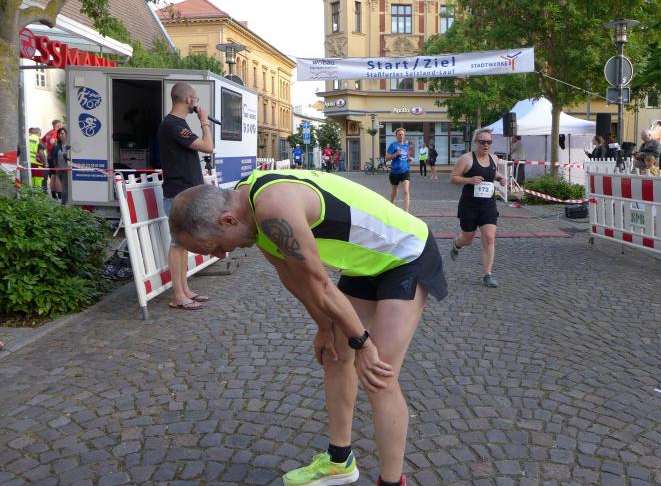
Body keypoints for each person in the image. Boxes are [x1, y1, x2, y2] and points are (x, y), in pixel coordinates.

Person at [168, 170, 447, 486]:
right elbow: (291, 274)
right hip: (365, 262)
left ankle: (393, 482)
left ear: (228, 220)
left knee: (379, 373)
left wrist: (363, 343)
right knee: (335, 356)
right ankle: (339, 462)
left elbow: (320, 284)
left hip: (406, 254)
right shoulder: (248, 213)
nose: (220, 255)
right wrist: (325, 327)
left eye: (214, 246)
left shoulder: (273, 208)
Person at [157, 81, 214, 310]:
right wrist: (204, 121)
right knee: (177, 244)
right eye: (196, 99)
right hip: (178, 194)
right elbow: (207, 146)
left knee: (183, 244)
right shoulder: (172, 125)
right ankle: (179, 295)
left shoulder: (177, 124)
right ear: (189, 99)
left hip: (186, 194)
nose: (196, 103)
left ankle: (185, 290)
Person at [449, 128, 507, 288]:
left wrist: (501, 178)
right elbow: (453, 178)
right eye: (482, 142)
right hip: (469, 205)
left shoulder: (494, 158)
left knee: (489, 238)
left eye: (489, 142)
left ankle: (487, 275)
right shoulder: (466, 159)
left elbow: (493, 174)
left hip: (488, 205)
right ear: (476, 142)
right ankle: (457, 244)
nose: (486, 145)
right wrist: (469, 180)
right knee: (468, 238)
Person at [385, 128, 411, 212]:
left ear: (404, 136)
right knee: (394, 192)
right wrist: (395, 154)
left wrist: (409, 159)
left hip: (405, 171)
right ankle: (391, 209)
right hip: (395, 172)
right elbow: (386, 159)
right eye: (399, 134)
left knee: (406, 191)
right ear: (396, 136)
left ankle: (406, 212)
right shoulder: (393, 145)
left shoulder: (406, 146)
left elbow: (406, 157)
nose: (401, 136)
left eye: (402, 134)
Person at [48, 128, 70, 204]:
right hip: (59, 169)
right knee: (64, 185)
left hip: (67, 169)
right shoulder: (57, 145)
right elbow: (53, 156)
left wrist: (67, 156)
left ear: (66, 134)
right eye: (59, 133)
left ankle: (63, 203)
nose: (60, 135)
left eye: (62, 133)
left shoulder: (69, 144)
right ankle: (65, 201)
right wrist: (55, 166)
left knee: (64, 185)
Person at [41, 119, 62, 197]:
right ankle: (59, 194)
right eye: (61, 124)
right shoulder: (55, 132)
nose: (61, 126)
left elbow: (41, 140)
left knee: (53, 175)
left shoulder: (48, 132)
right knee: (58, 175)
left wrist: (46, 147)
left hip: (49, 156)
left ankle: (53, 193)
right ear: (58, 125)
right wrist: (54, 147)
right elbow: (52, 141)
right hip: (55, 156)